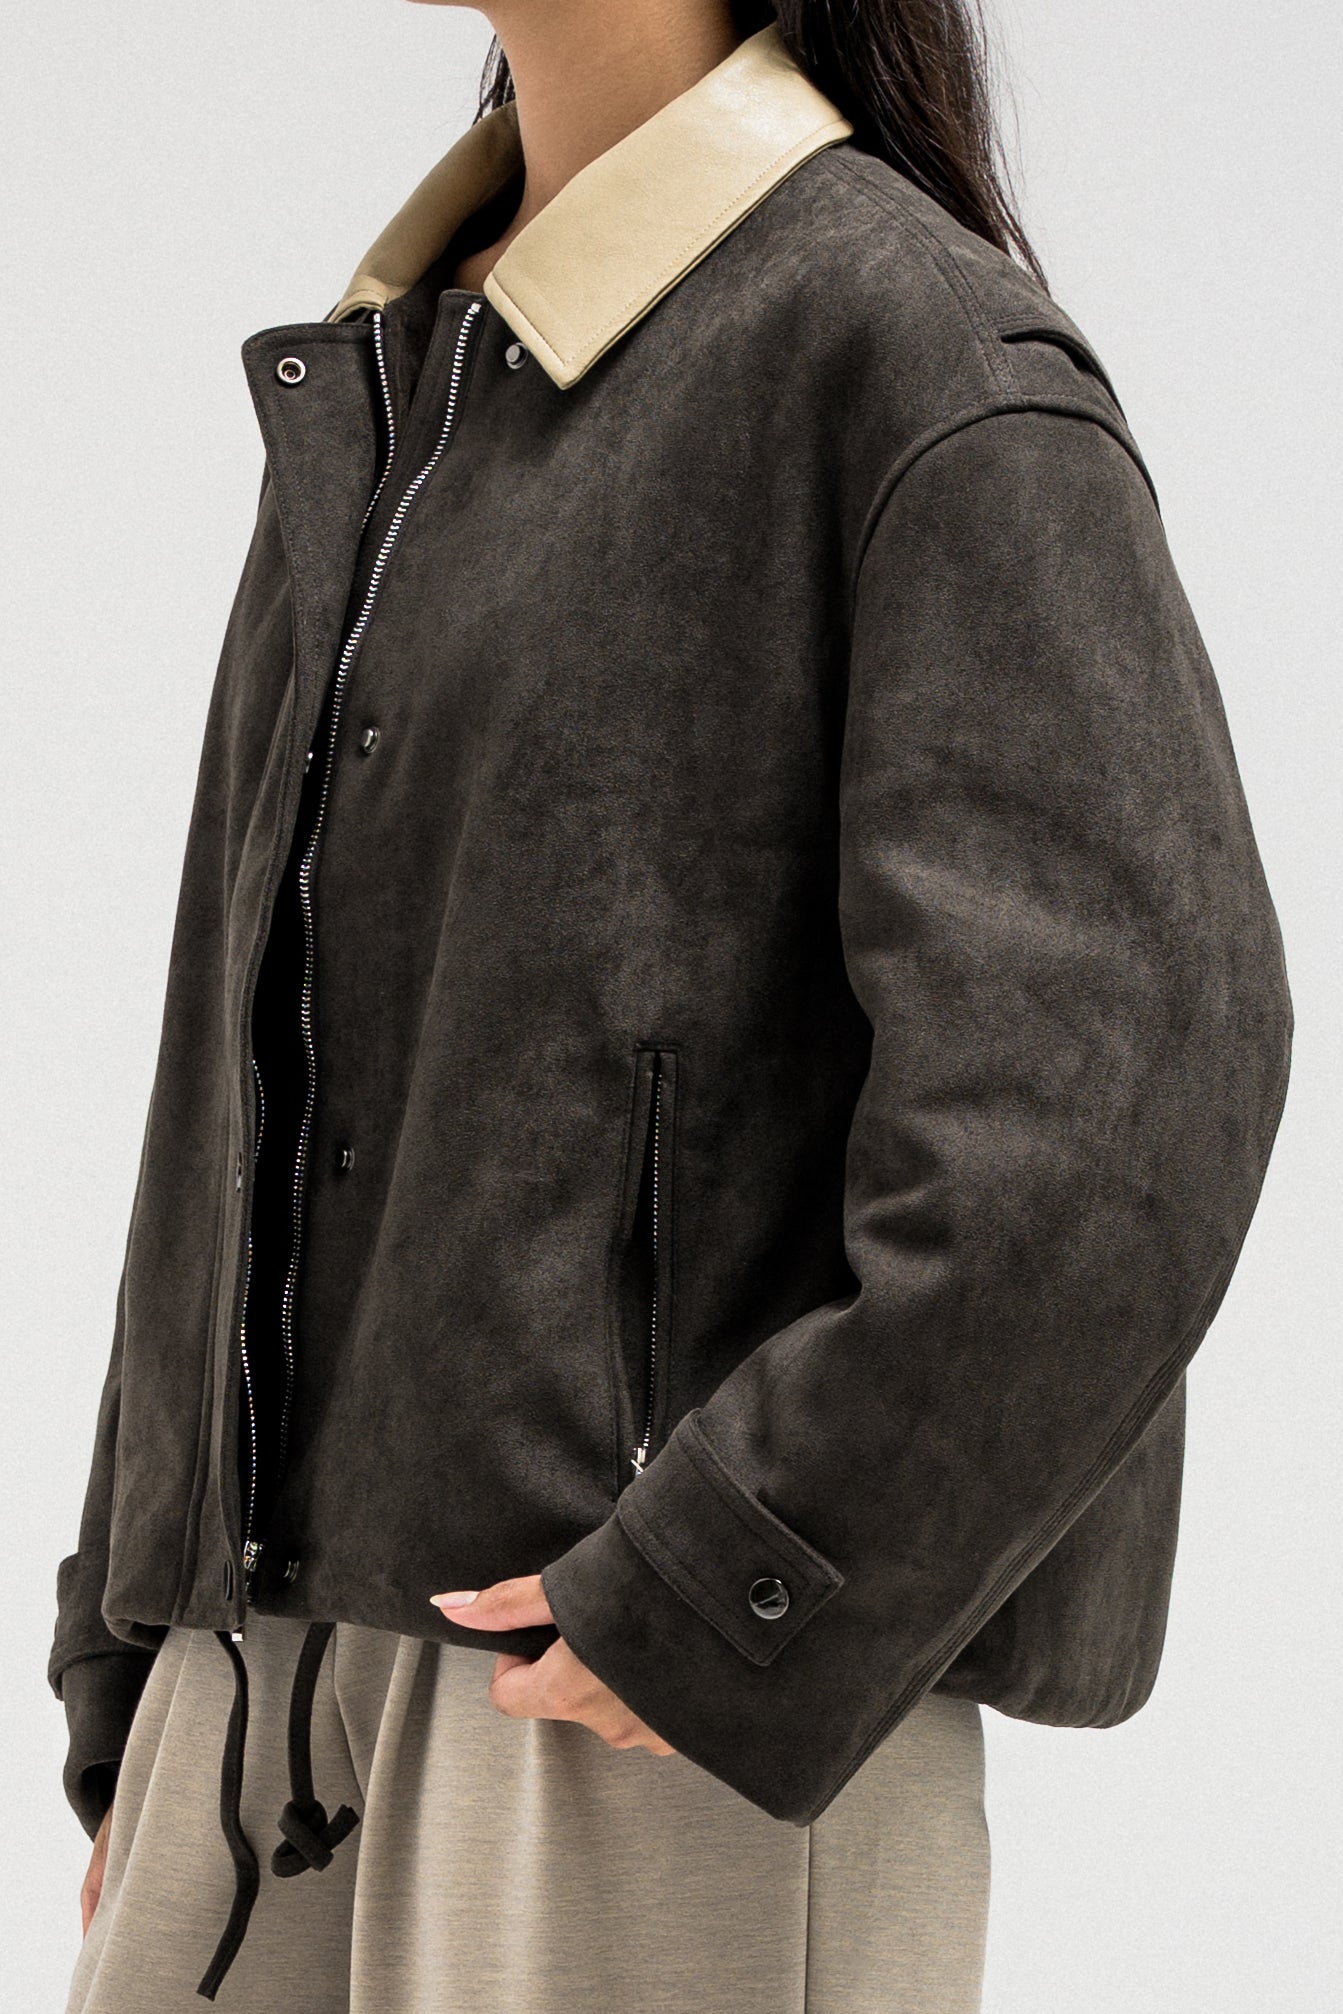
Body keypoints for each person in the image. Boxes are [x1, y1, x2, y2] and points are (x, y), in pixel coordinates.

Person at [52, 1, 1292, 2009]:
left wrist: (741, 1572)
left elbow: (1128, 1089)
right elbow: (237, 1064)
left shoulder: (902, 353)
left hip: (640, 1715)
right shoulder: (409, 369)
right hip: (261, 1688)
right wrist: (135, 1640)